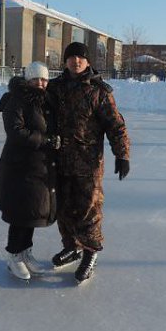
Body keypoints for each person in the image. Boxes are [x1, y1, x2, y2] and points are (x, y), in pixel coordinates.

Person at [47, 42, 130, 284]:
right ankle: (72, 247)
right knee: (63, 208)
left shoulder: (99, 91)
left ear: (88, 62)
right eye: (71, 57)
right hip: (60, 160)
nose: (76, 61)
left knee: (89, 210)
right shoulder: (55, 87)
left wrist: (122, 155)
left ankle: (90, 252)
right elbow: (35, 102)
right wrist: (14, 97)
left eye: (80, 58)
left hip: (88, 163)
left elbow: (116, 125)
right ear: (65, 61)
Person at [0, 61, 61, 281]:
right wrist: (46, 140)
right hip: (19, 165)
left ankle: (25, 252)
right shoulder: (17, 99)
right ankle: (13, 255)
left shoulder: (45, 100)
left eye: (44, 79)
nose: (40, 83)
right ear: (27, 79)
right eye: (35, 79)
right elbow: (16, 131)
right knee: (20, 212)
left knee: (32, 211)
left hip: (39, 166)